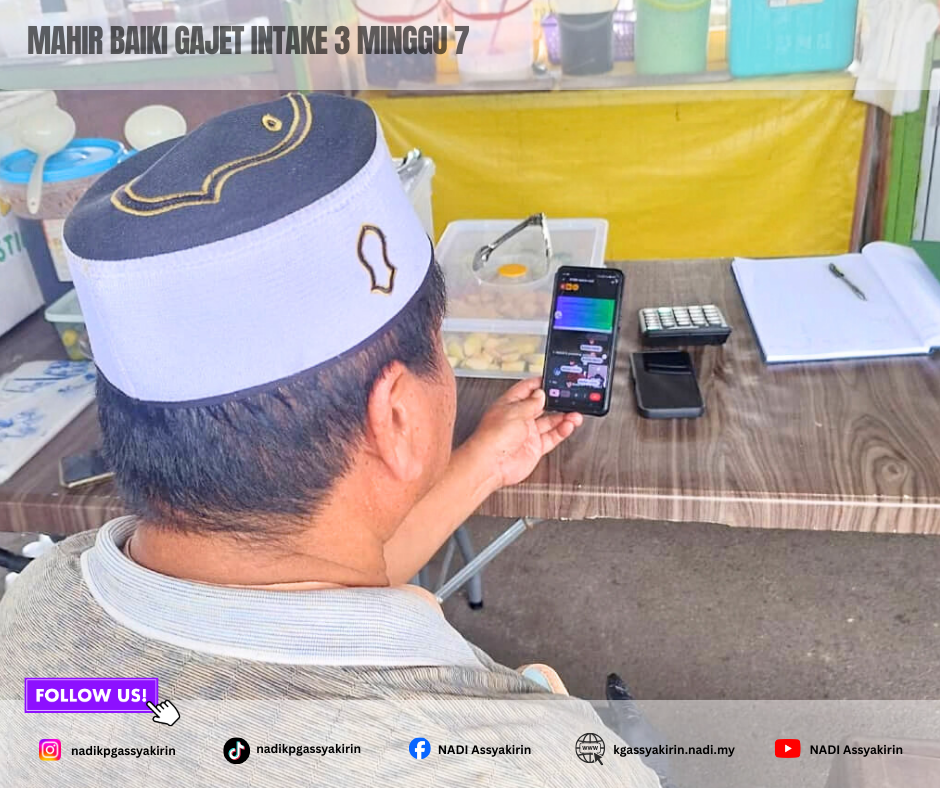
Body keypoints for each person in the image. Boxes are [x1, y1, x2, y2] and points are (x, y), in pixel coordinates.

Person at [0, 93, 660, 787]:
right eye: (438, 345)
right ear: (397, 415)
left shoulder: (40, 605)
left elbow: (310, 578)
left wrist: (484, 462)